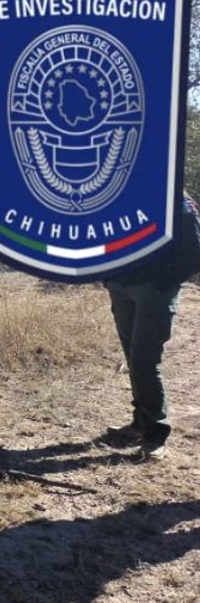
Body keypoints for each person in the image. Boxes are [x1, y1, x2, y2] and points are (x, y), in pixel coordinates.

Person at [102, 191, 199, 461]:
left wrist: (159, 284)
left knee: (145, 361)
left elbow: (194, 254)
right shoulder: (122, 190)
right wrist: (108, 276)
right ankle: (140, 422)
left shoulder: (178, 198)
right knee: (133, 359)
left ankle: (156, 433)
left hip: (153, 292)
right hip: (121, 287)